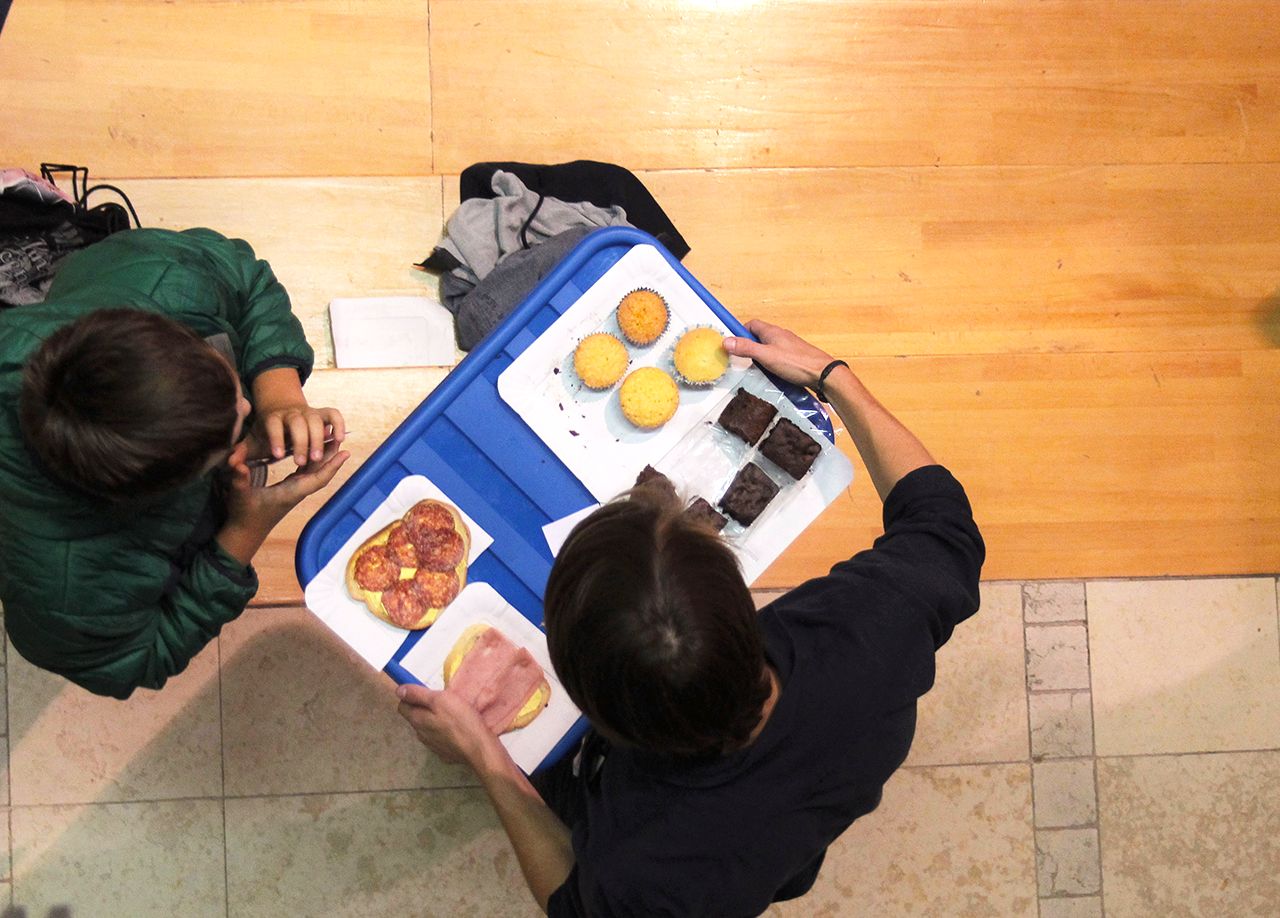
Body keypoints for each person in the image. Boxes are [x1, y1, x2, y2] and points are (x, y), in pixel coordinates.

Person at [396, 319, 984, 916]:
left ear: (589, 707)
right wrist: (833, 377)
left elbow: (571, 905)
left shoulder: (644, 871)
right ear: (734, 600)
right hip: (796, 824)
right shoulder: (874, 634)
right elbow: (944, 526)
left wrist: (488, 760)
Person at [0, 227, 349, 699]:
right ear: (164, 491)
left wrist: (279, 392)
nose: (247, 407)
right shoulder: (70, 594)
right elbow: (141, 659)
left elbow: (243, 278)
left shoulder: (156, 278)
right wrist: (242, 534)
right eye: (230, 434)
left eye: (230, 385)